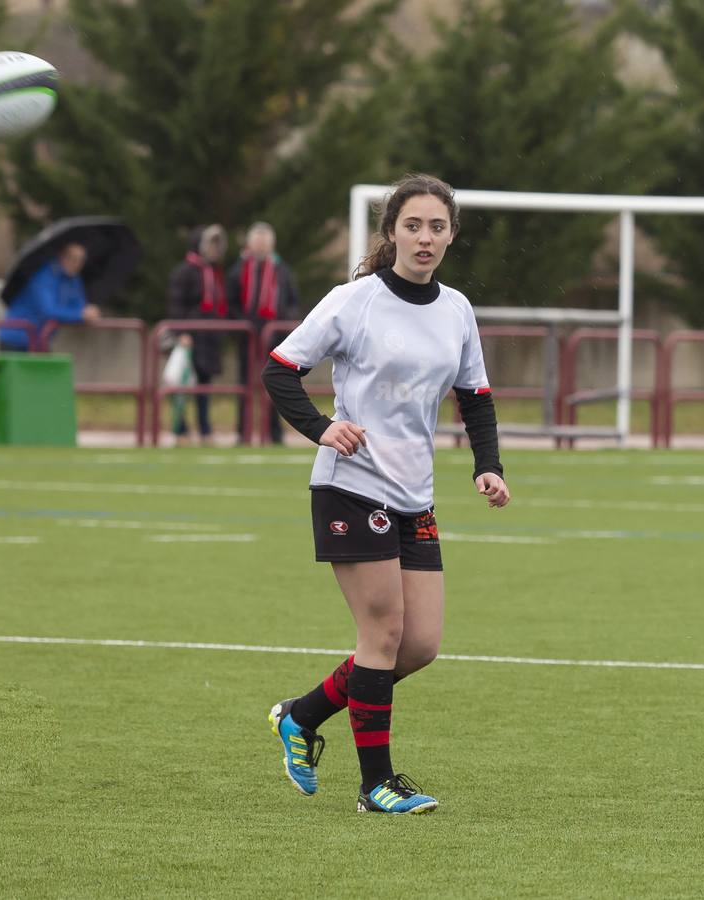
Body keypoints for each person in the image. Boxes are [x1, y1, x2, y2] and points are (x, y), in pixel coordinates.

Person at [260, 174, 510, 815]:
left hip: (413, 495)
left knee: (419, 645)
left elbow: (474, 394)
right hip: (351, 486)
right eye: (413, 225)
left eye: (437, 227)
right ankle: (377, 784)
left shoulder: (456, 309)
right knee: (383, 632)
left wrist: (488, 464)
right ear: (391, 232)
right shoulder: (355, 301)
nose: (425, 238)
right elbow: (281, 369)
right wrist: (322, 427)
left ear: (452, 235)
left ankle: (302, 715)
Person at [227, 221, 300, 444]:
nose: (260, 246)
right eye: (257, 242)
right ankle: (244, 433)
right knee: (244, 385)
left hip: (275, 339)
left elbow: (291, 302)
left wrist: (282, 327)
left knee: (275, 385)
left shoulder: (282, 270)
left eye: (264, 242)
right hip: (247, 338)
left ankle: (275, 433)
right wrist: (242, 325)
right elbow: (230, 303)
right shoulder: (239, 269)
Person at [166, 224, 228, 446]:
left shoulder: (215, 272)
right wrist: (181, 331)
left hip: (209, 338)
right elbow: (176, 303)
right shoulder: (185, 271)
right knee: (182, 384)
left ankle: (204, 429)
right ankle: (180, 429)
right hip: (190, 337)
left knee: (204, 385)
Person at [0, 242, 100, 351]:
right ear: (62, 257)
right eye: (73, 258)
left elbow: (78, 305)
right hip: (16, 339)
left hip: (41, 340)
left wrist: (88, 311)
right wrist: (80, 314)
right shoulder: (44, 276)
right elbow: (48, 310)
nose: (77, 264)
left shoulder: (74, 280)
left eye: (81, 260)